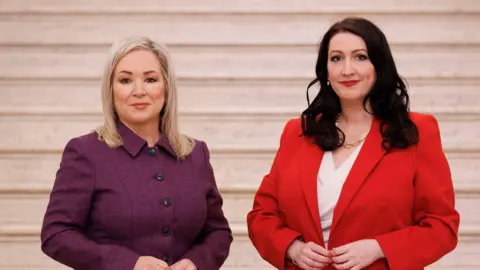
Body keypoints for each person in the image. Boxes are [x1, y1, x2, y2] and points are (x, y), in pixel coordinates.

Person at [247, 17, 460, 270]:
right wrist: (293, 248)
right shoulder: (298, 133)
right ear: (326, 70)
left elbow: (441, 226)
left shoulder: (416, 131)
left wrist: (379, 248)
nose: (347, 70)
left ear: (379, 65)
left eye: (360, 57)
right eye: (336, 58)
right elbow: (261, 215)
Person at [41, 36, 232, 270]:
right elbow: (56, 234)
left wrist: (197, 263)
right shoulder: (85, 152)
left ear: (166, 87)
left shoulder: (195, 153)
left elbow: (218, 233)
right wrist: (127, 264)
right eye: (125, 80)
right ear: (111, 90)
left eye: (150, 79)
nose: (139, 91)